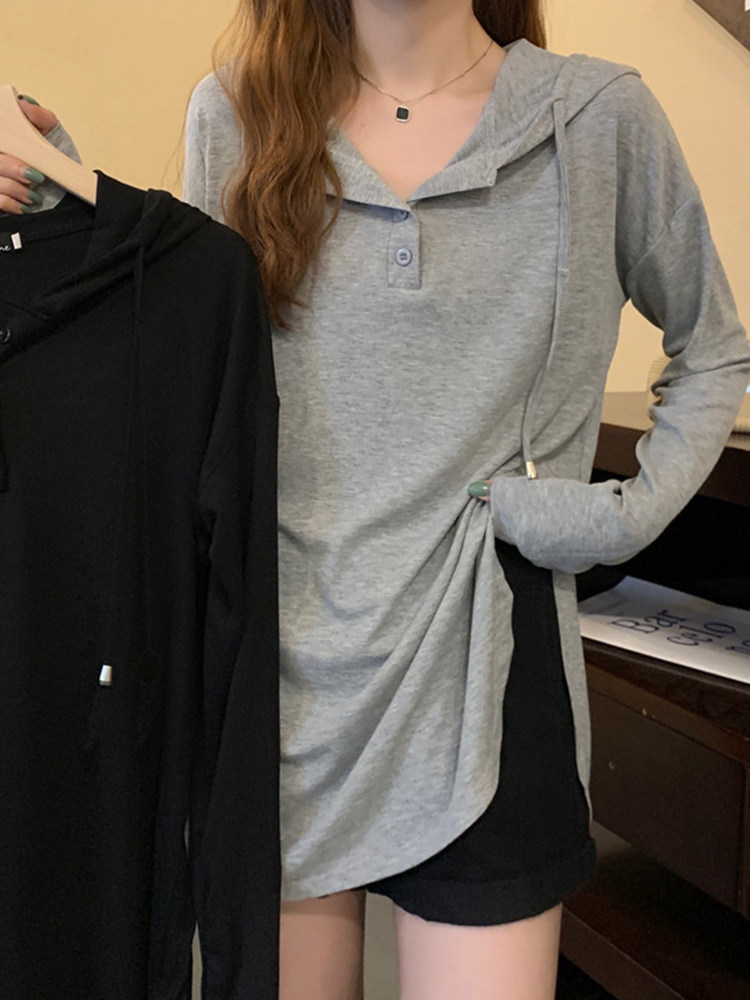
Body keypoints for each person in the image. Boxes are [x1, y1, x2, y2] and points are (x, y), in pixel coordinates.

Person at [2, 2, 748, 998]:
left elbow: (714, 348)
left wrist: (626, 516)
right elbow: (189, 352)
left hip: (488, 662)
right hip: (282, 679)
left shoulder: (596, 118)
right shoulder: (235, 114)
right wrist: (62, 208)